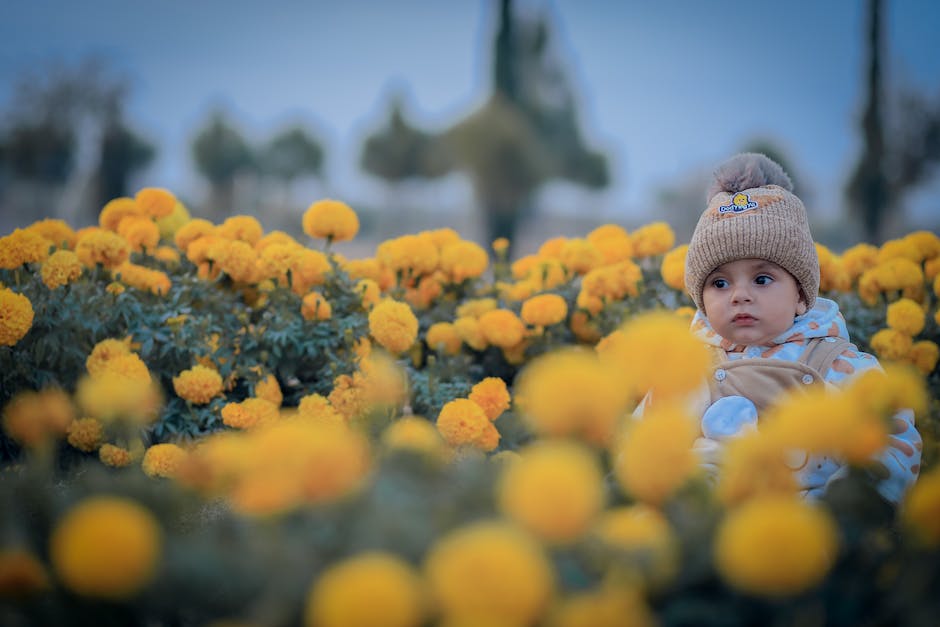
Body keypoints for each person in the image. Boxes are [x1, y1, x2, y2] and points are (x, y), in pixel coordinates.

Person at [678, 152, 921, 505]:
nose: (739, 296)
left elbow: (892, 443)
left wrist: (848, 507)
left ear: (801, 297)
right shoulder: (690, 366)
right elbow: (652, 439)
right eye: (719, 283)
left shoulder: (839, 365)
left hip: (816, 523)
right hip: (711, 523)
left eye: (762, 279)